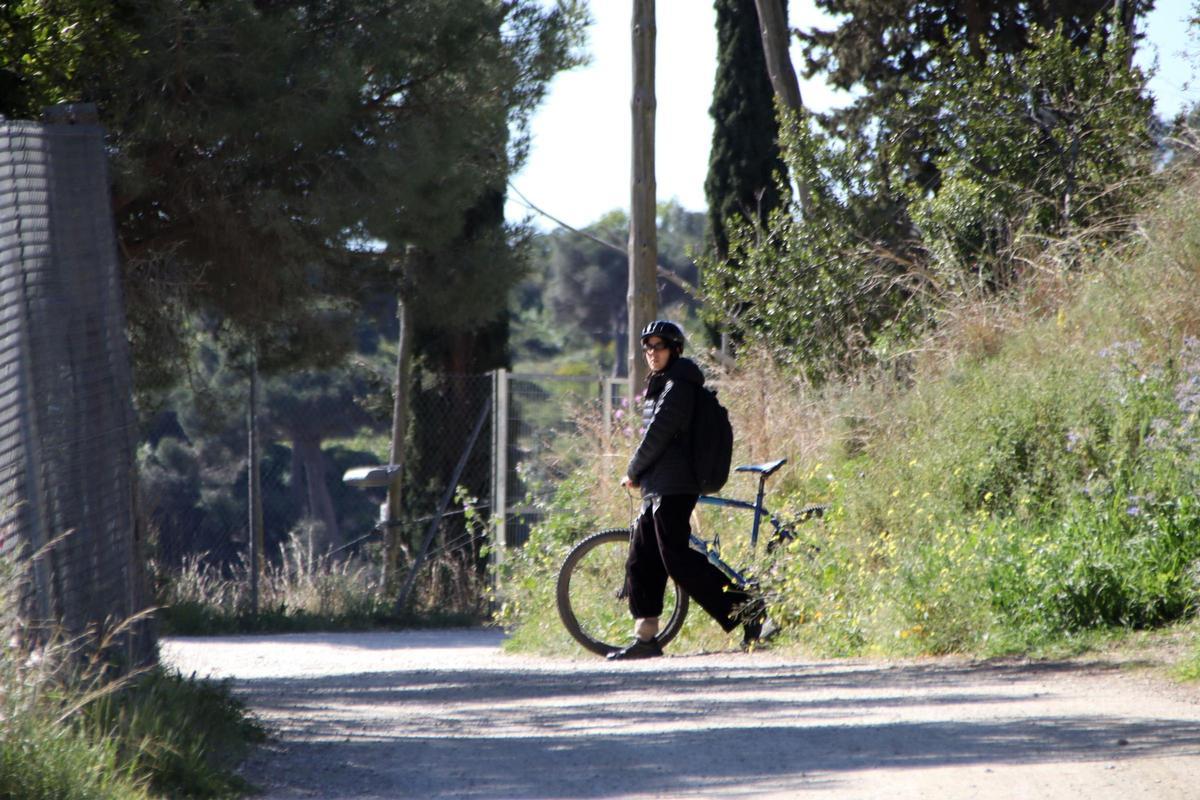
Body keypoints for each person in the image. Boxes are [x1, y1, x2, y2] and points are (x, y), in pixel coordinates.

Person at [608, 320, 767, 660]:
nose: (652, 353)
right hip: (658, 485)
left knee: (676, 559)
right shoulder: (663, 383)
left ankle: (748, 609)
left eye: (659, 346)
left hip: (674, 485)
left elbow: (658, 436)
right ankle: (646, 638)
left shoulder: (679, 385)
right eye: (647, 347)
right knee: (642, 559)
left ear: (675, 349)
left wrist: (632, 470)